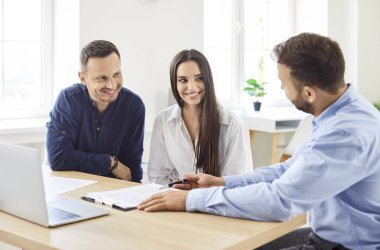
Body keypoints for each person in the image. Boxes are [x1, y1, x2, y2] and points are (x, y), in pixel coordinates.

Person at [138, 33, 380, 249]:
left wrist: (191, 199)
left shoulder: (345, 134)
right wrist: (222, 182)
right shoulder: (340, 112)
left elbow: (279, 200)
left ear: (308, 92)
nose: (282, 89)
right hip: (323, 235)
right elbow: (288, 169)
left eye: (284, 85)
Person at [147, 49, 253, 184]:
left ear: (208, 79)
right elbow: (158, 176)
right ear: (175, 83)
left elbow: (236, 184)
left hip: (218, 203)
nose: (191, 87)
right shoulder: (163, 121)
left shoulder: (235, 126)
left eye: (199, 78)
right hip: (176, 201)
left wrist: (193, 197)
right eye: (183, 80)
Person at [46, 40, 145, 182]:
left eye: (116, 74)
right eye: (101, 78)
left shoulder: (134, 106)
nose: (111, 85)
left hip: (114, 194)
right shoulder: (69, 99)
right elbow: (59, 158)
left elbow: (132, 171)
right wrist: (110, 163)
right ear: (83, 78)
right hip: (72, 189)